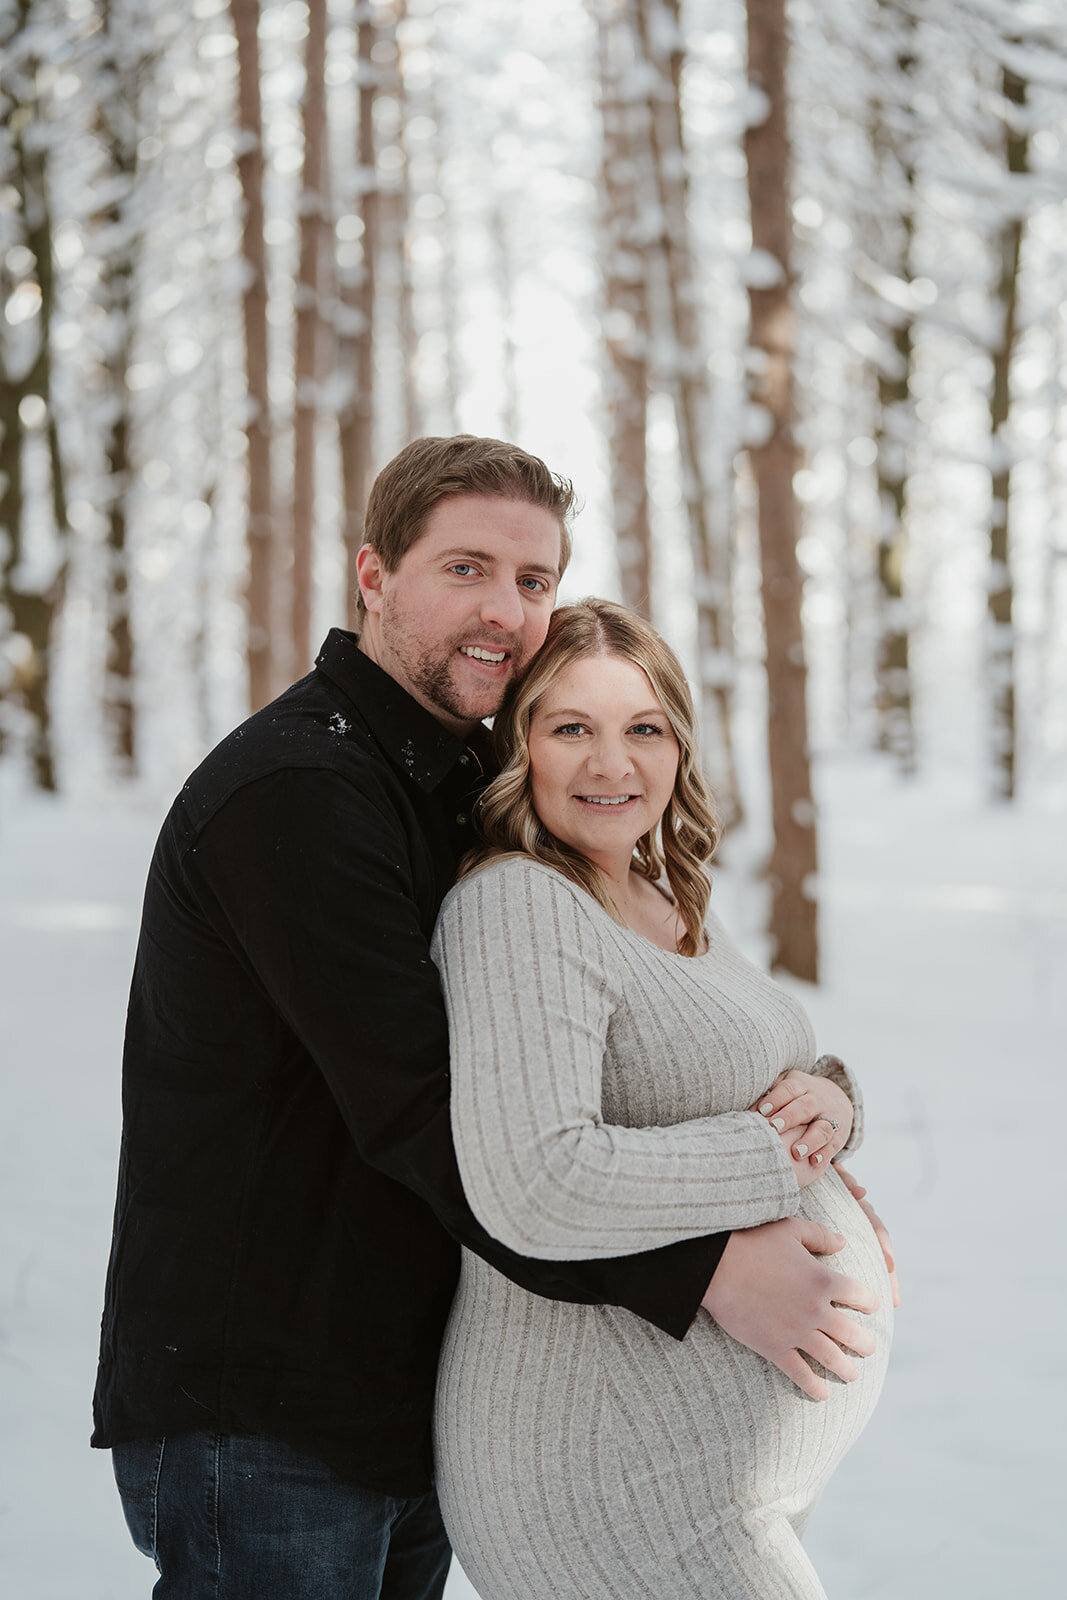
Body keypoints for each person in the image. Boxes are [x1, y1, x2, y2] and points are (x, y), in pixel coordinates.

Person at [92, 436, 885, 1600]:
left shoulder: (464, 784)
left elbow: (632, 1038)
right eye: (465, 568)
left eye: (532, 579)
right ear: (373, 575)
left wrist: (825, 1125)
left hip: (398, 1385)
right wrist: (705, 1262)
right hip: (267, 1405)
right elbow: (441, 1121)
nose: (504, 612)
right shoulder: (300, 794)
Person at [431, 598, 894, 1600]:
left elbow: (752, 1057)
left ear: (678, 744)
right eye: (570, 729)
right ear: (519, 746)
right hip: (607, 1474)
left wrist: (834, 1101)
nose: (611, 764)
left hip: (703, 1474)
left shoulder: (662, 889)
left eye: (642, 728)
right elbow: (538, 1177)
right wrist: (783, 1161)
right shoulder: (516, 904)